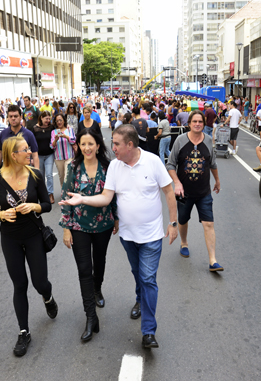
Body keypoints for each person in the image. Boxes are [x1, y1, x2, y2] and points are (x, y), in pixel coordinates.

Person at [60, 124, 178, 349]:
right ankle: (139, 299)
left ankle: (149, 331)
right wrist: (82, 199)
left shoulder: (153, 162)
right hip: (128, 235)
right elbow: (105, 198)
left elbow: (169, 192)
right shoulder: (114, 166)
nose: (112, 147)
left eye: (116, 144)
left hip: (152, 234)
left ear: (130, 145)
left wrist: (173, 223)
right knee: (138, 274)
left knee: (148, 279)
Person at [0, 136, 57, 357]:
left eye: (29, 148)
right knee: (20, 284)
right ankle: (24, 332)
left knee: (40, 282)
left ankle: (48, 297)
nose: (30, 152)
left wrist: (35, 205)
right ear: (12, 155)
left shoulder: (35, 175)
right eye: (25, 150)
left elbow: (47, 205)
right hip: (10, 238)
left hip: (34, 235)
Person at [60, 128, 118, 342]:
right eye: (83, 144)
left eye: (90, 144)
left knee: (99, 261)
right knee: (84, 269)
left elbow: (113, 195)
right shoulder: (73, 167)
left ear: (98, 145)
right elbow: (66, 196)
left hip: (103, 224)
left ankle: (97, 289)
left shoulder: (108, 166)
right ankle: (90, 317)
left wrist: (116, 217)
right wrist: (66, 227)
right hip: (79, 225)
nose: (87, 148)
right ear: (78, 146)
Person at [166, 111, 223, 271]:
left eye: (200, 122)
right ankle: (184, 243)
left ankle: (212, 260)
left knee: (209, 223)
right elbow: (170, 164)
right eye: (195, 121)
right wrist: (176, 183)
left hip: (204, 192)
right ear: (189, 123)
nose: (197, 124)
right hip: (185, 193)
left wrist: (217, 180)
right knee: (183, 220)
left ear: (204, 124)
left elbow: (212, 163)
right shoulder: (180, 140)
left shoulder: (209, 141)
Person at [0, 105, 39, 172]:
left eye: (15, 116)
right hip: (8, 171)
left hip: (25, 172)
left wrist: (37, 173)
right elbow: (0, 152)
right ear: (8, 118)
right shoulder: (3, 133)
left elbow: (35, 154)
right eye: (10, 116)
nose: (13, 118)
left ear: (21, 117)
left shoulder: (29, 134)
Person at [33, 111, 56, 204]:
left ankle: (50, 194)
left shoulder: (51, 127)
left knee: (49, 174)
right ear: (41, 118)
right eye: (46, 118)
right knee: (40, 176)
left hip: (49, 154)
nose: (48, 120)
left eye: (49, 118)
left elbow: (60, 130)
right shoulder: (35, 128)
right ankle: (42, 194)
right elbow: (32, 143)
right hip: (38, 156)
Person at [51, 113, 75, 195]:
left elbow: (73, 140)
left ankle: (69, 192)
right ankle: (63, 192)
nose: (59, 122)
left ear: (64, 120)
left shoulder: (69, 130)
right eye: (57, 121)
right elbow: (51, 146)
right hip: (58, 157)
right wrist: (55, 140)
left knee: (67, 176)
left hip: (69, 156)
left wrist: (66, 136)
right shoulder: (53, 132)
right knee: (61, 176)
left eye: (60, 120)